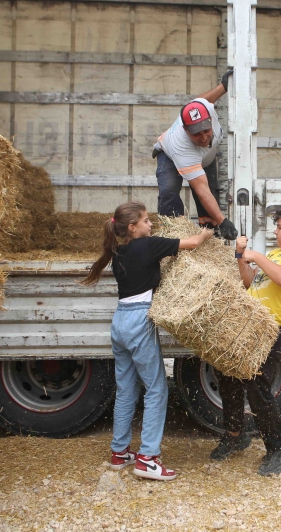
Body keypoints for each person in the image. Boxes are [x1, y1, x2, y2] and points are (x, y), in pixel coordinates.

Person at [81, 201, 213, 481]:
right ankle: (148, 459)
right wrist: (208, 232)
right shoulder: (149, 245)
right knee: (157, 390)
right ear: (132, 227)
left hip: (120, 321)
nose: (151, 224)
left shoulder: (118, 253)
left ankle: (120, 453)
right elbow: (193, 242)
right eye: (146, 221)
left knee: (126, 388)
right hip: (140, 320)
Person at [211, 204, 281, 476]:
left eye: (279, 227)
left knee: (258, 389)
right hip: (248, 324)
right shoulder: (275, 254)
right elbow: (249, 283)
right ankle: (235, 435)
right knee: (228, 378)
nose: (275, 231)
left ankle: (279, 448)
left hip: (268, 329)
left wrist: (255, 254)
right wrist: (241, 258)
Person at [153, 69, 238, 240]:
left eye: (206, 130)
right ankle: (173, 237)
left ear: (210, 118)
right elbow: (201, 190)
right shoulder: (182, 148)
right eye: (196, 134)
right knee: (169, 191)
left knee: (211, 200)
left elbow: (202, 100)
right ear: (186, 130)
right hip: (170, 155)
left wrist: (223, 87)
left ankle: (208, 237)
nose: (203, 137)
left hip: (204, 158)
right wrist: (223, 221)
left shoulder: (204, 108)